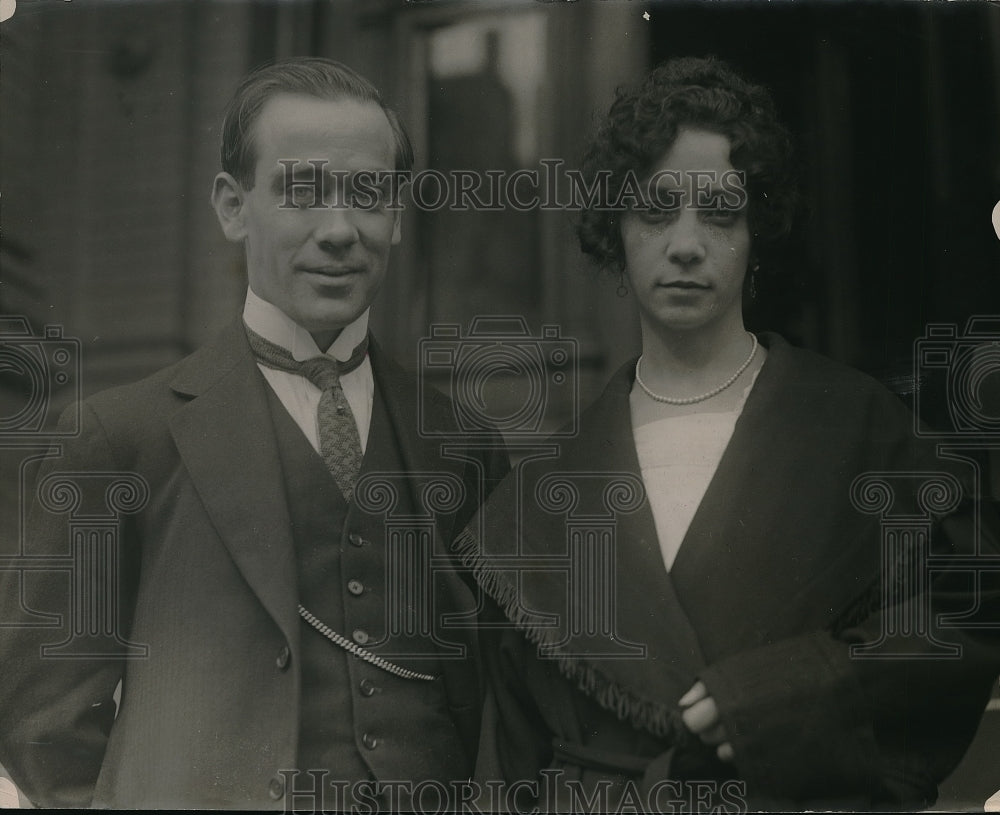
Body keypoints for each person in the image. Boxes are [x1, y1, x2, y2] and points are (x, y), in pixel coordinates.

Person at [457, 57, 1000, 811]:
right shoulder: (542, 489)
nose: (686, 244)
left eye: (719, 212)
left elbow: (961, 628)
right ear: (616, 230)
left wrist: (786, 692)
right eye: (656, 209)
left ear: (756, 232)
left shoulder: (858, 428)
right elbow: (510, 755)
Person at [0, 57, 507, 809]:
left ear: (398, 217)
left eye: (368, 194)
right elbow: (42, 722)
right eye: (302, 191)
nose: (339, 231)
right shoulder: (122, 438)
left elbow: (499, 707)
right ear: (234, 207)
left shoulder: (462, 445)